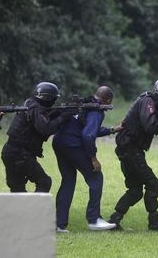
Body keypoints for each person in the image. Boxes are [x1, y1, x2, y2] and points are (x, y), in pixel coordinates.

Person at [107, 78, 158, 231]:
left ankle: (114, 220)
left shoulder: (153, 103)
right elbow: (151, 126)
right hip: (130, 149)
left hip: (130, 149)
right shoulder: (148, 102)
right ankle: (154, 223)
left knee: (135, 190)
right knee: (153, 183)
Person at [53, 86, 122, 232]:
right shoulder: (96, 111)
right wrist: (93, 158)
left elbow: (87, 129)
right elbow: (88, 135)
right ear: (108, 99)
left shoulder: (83, 105)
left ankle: (59, 224)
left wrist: (111, 130)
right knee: (96, 177)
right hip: (73, 145)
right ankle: (94, 219)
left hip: (59, 143)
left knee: (68, 181)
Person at [1, 81, 69, 192]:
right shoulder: (35, 108)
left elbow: (45, 119)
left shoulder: (31, 103)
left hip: (11, 151)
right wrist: (63, 117)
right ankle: (36, 209)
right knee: (44, 182)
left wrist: (59, 113)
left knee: (17, 189)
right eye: (54, 99)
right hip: (19, 153)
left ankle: (24, 210)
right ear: (48, 98)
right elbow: (45, 128)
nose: (54, 101)